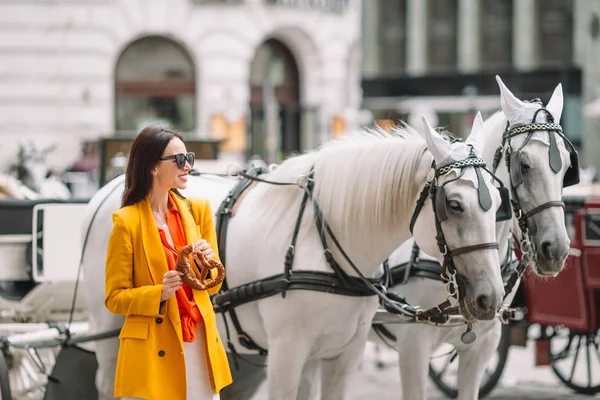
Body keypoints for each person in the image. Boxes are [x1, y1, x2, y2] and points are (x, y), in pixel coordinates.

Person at [104, 125, 232, 400]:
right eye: (178, 160)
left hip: (198, 343)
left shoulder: (198, 210)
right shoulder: (126, 222)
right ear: (152, 167)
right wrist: (158, 293)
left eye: (189, 158)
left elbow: (211, 288)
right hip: (152, 351)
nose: (187, 166)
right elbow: (114, 298)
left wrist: (206, 265)